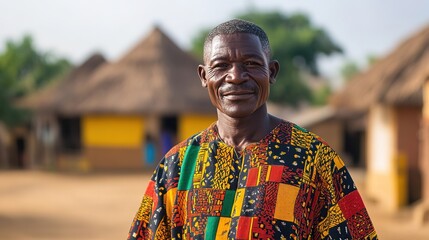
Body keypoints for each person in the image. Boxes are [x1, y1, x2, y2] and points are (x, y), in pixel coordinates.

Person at [128, 19, 377, 240]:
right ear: (204, 76)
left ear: (272, 72)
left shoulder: (314, 159)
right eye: (221, 65)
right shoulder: (177, 166)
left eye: (251, 63)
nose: (235, 76)